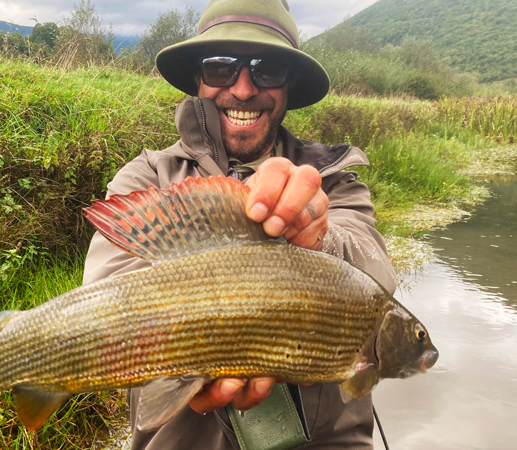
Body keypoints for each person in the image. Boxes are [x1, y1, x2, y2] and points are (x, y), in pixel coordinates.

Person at [83, 0, 397, 448]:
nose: (245, 88)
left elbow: (377, 278)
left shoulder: (335, 181)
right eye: (220, 68)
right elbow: (108, 293)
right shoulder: (148, 178)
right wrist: (200, 348)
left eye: (267, 69)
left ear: (289, 84)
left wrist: (317, 236)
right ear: (198, 77)